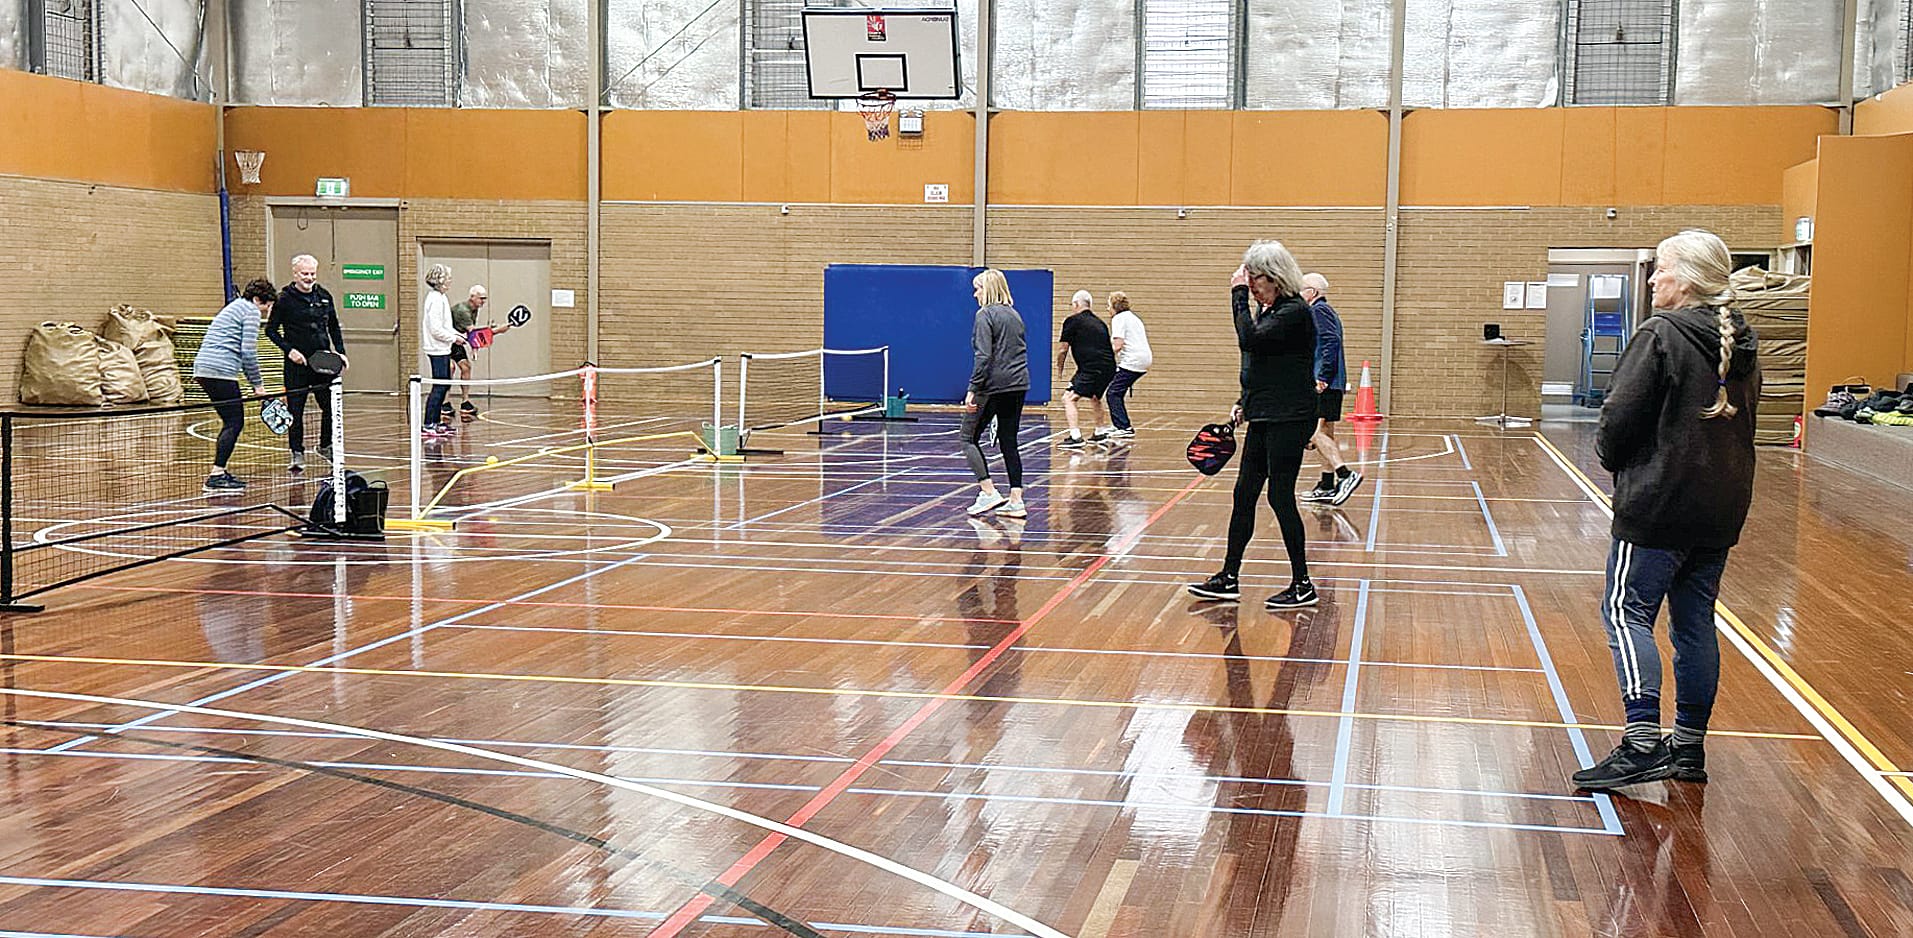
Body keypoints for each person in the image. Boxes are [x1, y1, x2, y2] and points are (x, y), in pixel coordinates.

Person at [1572, 229, 1760, 791]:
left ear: (1691, 278)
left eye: (1663, 269)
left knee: (1625, 613)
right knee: (1695, 623)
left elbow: (1619, 418)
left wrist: (1613, 460)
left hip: (1659, 506)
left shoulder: (1661, 334)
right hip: (1721, 507)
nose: (1653, 279)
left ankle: (1641, 742)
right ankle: (1688, 748)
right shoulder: (1743, 340)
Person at [1189, 241, 1319, 609]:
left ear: (1274, 277)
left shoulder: (1293, 311)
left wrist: (1237, 295)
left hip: (1290, 417)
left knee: (1280, 496)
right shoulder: (1272, 310)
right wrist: (1243, 402)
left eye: (1255, 278)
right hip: (1266, 413)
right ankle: (1229, 577)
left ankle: (1303, 583)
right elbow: (1262, 364)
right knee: (1244, 494)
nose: (1251, 285)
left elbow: (1249, 340)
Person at [191, 278, 276, 493]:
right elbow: (248, 352)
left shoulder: (235, 307)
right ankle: (216, 475)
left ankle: (219, 472)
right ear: (258, 299)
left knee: (230, 420)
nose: (266, 311)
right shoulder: (250, 312)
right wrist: (258, 385)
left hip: (205, 369)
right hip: (220, 372)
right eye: (266, 306)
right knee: (234, 422)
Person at [265, 254, 348, 472]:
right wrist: (289, 350)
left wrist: (340, 352)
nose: (309, 278)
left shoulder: (324, 296)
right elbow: (270, 331)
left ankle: (325, 445)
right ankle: (297, 452)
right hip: (296, 366)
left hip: (322, 363)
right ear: (295, 273)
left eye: (312, 273)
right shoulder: (284, 299)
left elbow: (334, 327)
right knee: (296, 410)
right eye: (305, 274)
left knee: (330, 407)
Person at [959, 268, 1030, 518]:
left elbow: (984, 356)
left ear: (987, 289)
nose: (974, 294)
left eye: (977, 288)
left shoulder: (984, 315)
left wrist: (972, 388)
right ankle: (1016, 500)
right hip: (1018, 384)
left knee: (968, 437)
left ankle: (988, 492)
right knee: (1009, 441)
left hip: (993, 386)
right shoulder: (1014, 315)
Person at [1299, 272, 1363, 505]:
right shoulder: (1322, 311)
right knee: (1325, 431)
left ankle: (1345, 474)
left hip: (1323, 381)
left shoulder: (1319, 311)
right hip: (1330, 381)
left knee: (1310, 430)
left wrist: (1322, 376)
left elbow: (1331, 341)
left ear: (1312, 292)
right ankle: (1327, 485)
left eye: (1301, 288)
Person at [447, 283, 517, 420]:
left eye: (485, 298)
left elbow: (472, 334)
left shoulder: (475, 309)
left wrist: (475, 347)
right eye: (481, 298)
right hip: (445, 341)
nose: (483, 301)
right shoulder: (463, 311)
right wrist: (496, 331)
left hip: (457, 341)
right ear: (472, 297)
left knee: (466, 367)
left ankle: (465, 402)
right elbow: (474, 335)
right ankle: (445, 403)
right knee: (450, 368)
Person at [1056, 289, 1115, 448]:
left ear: (1076, 304)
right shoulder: (1100, 323)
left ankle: (1075, 437)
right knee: (1095, 396)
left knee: (1068, 398)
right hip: (1109, 367)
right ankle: (1100, 431)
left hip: (1091, 367)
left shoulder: (1072, 321)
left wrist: (1059, 368)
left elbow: (1063, 349)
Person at [419, 264, 466, 438]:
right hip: (436, 348)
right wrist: (454, 339)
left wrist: (459, 335)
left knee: (445, 384)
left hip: (444, 348)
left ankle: (437, 422)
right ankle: (428, 423)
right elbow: (436, 329)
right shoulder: (434, 300)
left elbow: (447, 326)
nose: (450, 281)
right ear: (440, 280)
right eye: (448, 278)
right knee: (439, 386)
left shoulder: (442, 298)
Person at [1104, 292, 1151, 438]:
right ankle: (1119, 424)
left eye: (1108, 306)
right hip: (1143, 359)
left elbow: (1118, 345)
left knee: (1113, 393)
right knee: (1117, 391)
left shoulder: (1119, 318)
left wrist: (1103, 356)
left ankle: (1124, 427)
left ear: (1114, 306)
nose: (1107, 309)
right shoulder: (1132, 317)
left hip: (1133, 360)